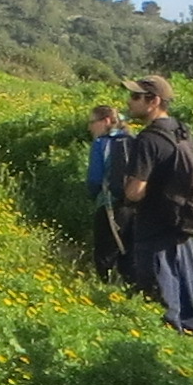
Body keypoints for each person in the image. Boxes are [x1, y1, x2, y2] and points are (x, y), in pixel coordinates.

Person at [112, 74, 193, 336]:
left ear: (154, 101)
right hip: (184, 227)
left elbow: (136, 191)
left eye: (136, 97)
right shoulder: (181, 131)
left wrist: (123, 193)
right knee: (190, 306)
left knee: (163, 307)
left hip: (156, 233)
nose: (130, 102)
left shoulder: (148, 140)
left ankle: (167, 356)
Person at [80, 103, 130, 281]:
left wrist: (95, 196)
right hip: (135, 205)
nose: (89, 127)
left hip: (109, 205)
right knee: (130, 252)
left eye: (92, 121)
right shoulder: (133, 139)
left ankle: (104, 290)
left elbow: (95, 179)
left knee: (105, 254)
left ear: (106, 121)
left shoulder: (101, 143)